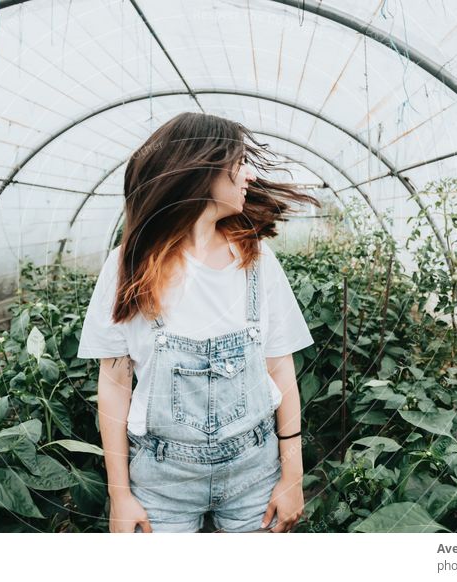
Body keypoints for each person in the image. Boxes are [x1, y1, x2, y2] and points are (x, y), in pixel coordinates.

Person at [76, 112, 321, 533]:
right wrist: (120, 494)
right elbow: (114, 386)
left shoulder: (257, 262)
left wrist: (292, 476)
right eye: (238, 163)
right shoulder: (127, 268)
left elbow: (280, 370)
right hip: (163, 480)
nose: (248, 176)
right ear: (201, 172)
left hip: (254, 473)